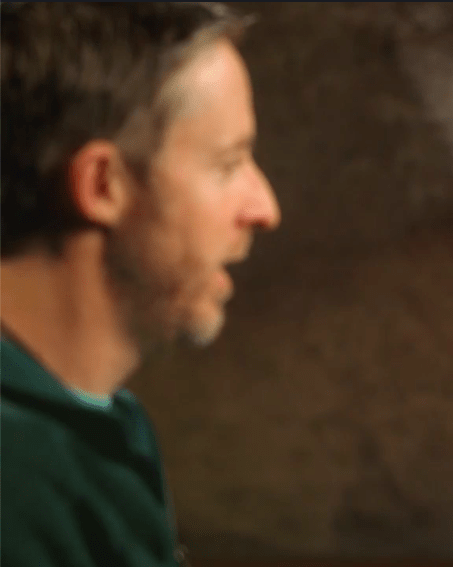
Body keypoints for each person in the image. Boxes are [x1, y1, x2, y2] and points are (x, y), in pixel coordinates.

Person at [0, 3, 280, 565]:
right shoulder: (16, 479)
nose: (265, 208)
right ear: (104, 184)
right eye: (227, 165)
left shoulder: (103, 427)